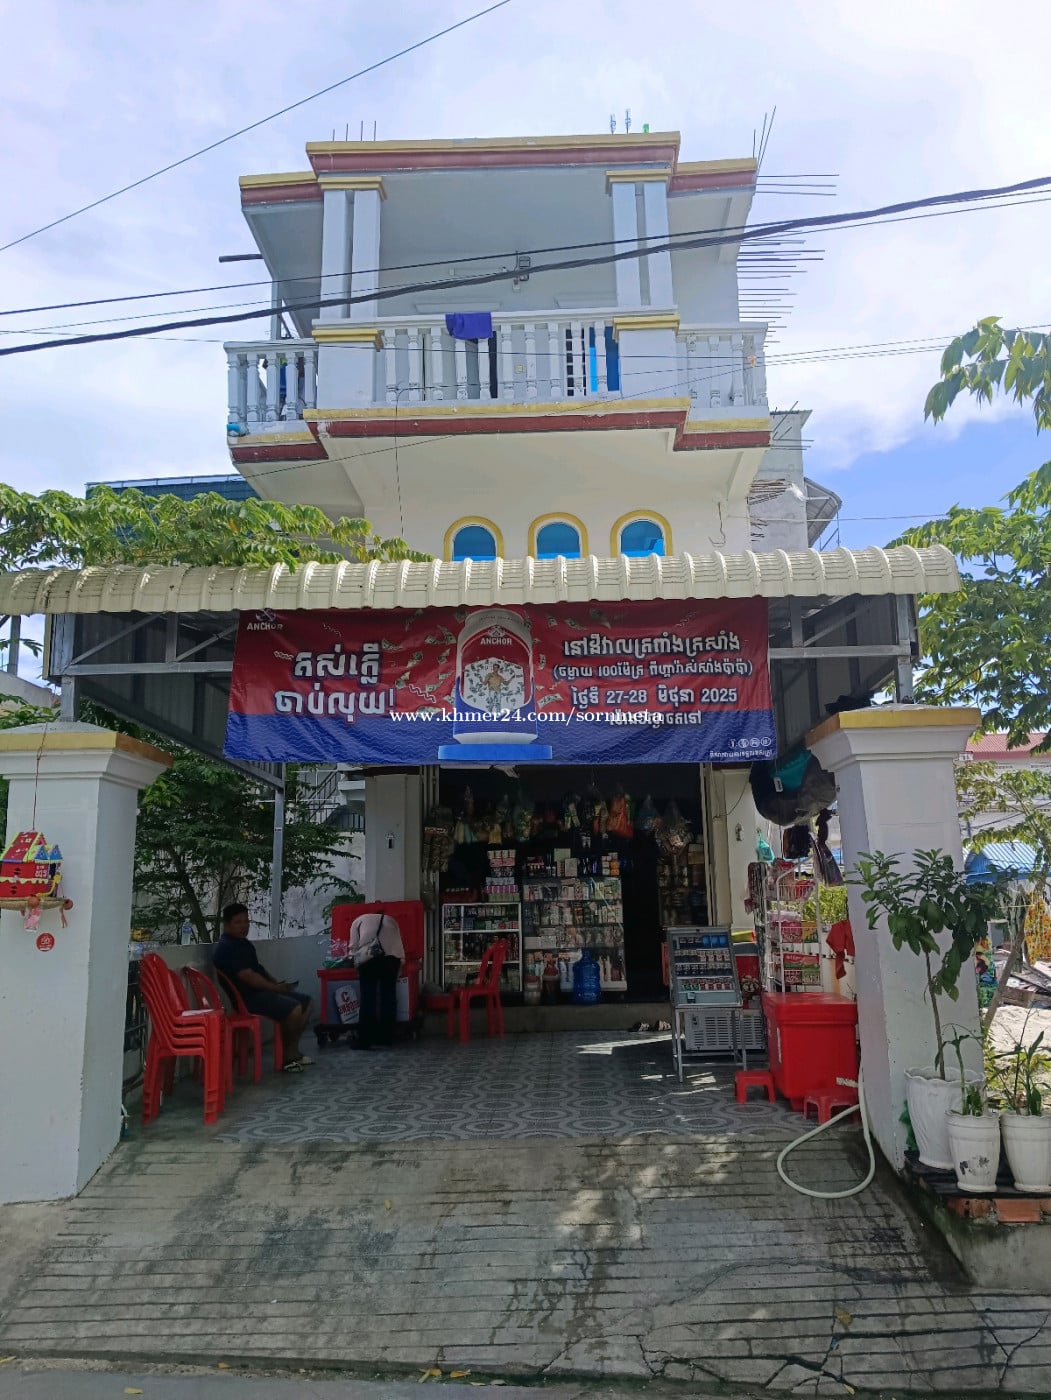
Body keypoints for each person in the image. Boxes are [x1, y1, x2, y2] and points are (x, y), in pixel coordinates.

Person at [212, 903, 314, 1073]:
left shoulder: (243, 944)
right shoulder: (227, 947)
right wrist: (275, 988)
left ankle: (292, 1051)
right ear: (227, 925)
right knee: (295, 1009)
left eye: (246, 921)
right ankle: (287, 1058)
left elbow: (258, 969)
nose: (244, 926)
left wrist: (277, 984)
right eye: (238, 922)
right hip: (248, 999)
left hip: (261, 993)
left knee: (307, 1002)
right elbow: (249, 977)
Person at [348, 908, 405, 1050]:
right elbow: (399, 946)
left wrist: (354, 962)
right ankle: (386, 1038)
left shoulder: (358, 920)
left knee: (368, 998)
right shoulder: (392, 920)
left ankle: (365, 1041)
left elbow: (353, 947)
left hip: (369, 958)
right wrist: (400, 964)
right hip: (391, 960)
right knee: (389, 996)